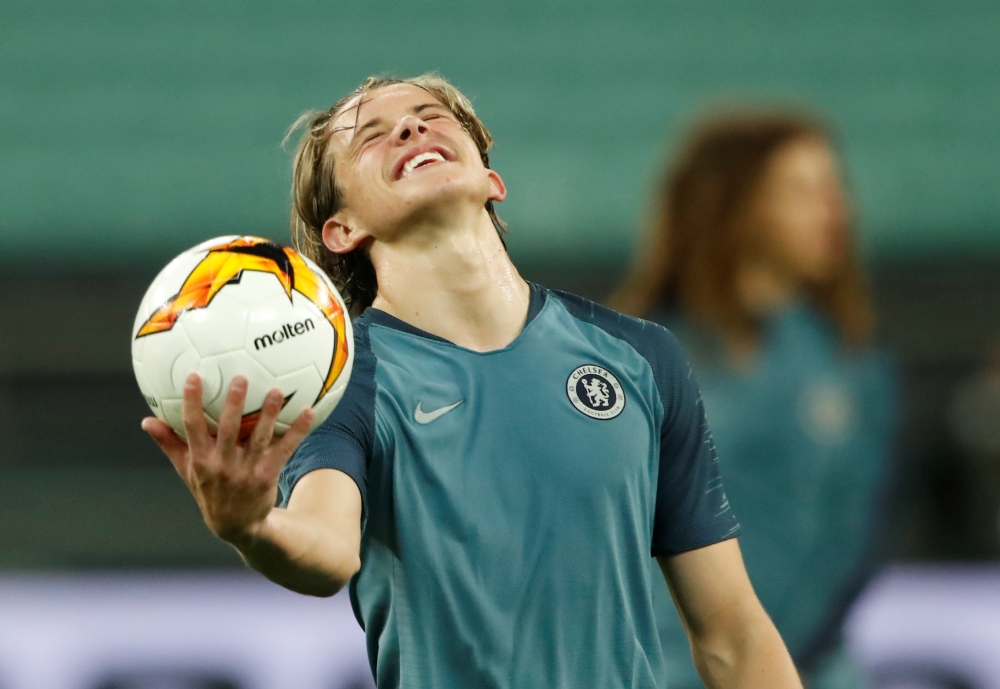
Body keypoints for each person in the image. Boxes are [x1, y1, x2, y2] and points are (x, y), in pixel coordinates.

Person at [142, 74, 802, 689]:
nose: (410, 131)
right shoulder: (343, 375)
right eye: (373, 135)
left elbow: (733, 636)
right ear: (342, 230)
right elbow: (328, 547)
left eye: (431, 118)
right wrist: (253, 526)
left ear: (492, 178)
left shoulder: (641, 355)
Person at [610, 112, 897, 688]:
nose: (835, 208)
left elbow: (864, 530)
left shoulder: (852, 360)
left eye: (834, 188)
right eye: (803, 190)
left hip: (816, 670)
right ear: (736, 204)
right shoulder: (629, 357)